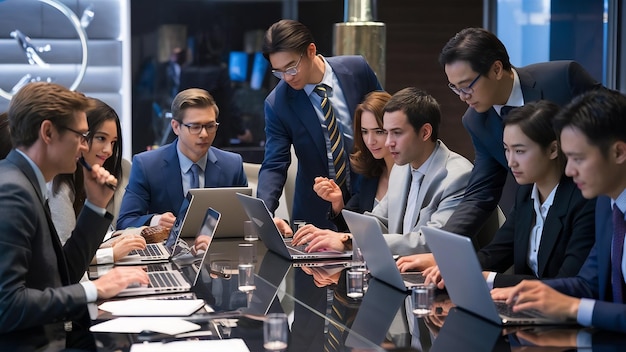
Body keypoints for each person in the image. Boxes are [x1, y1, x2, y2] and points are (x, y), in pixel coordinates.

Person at [0, 82, 148, 349]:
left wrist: (94, 206)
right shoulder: (13, 192)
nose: (84, 146)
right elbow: (6, 305)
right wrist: (95, 289)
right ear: (47, 132)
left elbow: (62, 275)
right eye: (81, 135)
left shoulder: (26, 182)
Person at [439, 27, 601, 242]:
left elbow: (614, 123)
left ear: (496, 69)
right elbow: (481, 193)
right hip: (546, 226)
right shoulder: (476, 121)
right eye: (455, 88)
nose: (462, 97)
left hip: (600, 210)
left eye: (466, 86)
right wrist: (444, 247)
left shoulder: (562, 79)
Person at [417, 101, 596, 289]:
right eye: (506, 150)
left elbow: (566, 283)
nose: (510, 162)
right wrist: (454, 268)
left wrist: (487, 279)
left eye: (519, 151)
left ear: (553, 149)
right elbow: (497, 251)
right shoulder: (527, 193)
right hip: (523, 309)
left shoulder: (583, 201)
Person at [491, 89, 626, 333]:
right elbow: (588, 284)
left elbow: (583, 299)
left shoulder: (597, 203)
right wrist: (537, 292)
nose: (569, 170)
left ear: (618, 152)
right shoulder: (608, 204)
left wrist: (573, 307)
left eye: (578, 158)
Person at [294, 88, 474, 261]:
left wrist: (350, 242)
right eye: (386, 133)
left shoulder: (458, 176)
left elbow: (430, 243)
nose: (388, 143)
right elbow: (378, 222)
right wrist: (339, 236)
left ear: (425, 132)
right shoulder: (401, 169)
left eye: (396, 133)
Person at [257, 19, 382, 233]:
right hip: (316, 212)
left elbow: (385, 119)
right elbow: (274, 163)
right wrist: (265, 214)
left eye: (291, 67)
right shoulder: (278, 103)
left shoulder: (356, 70)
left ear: (311, 50)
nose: (286, 77)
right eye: (278, 72)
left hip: (370, 196)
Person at [117, 88, 248, 230]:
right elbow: (125, 222)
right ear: (176, 127)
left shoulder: (232, 165)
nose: (204, 134)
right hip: (167, 248)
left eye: (210, 126)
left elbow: (245, 221)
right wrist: (156, 221)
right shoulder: (147, 165)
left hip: (217, 249)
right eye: (195, 126)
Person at [48, 98, 145, 264]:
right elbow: (65, 257)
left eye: (113, 142)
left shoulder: (117, 168)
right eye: (101, 138)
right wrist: (111, 254)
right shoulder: (60, 183)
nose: (108, 150)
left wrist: (117, 241)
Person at [314, 91, 394, 231]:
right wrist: (337, 201)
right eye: (365, 131)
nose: (370, 141)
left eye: (379, 131)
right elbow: (351, 230)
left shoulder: (414, 176)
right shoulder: (371, 174)